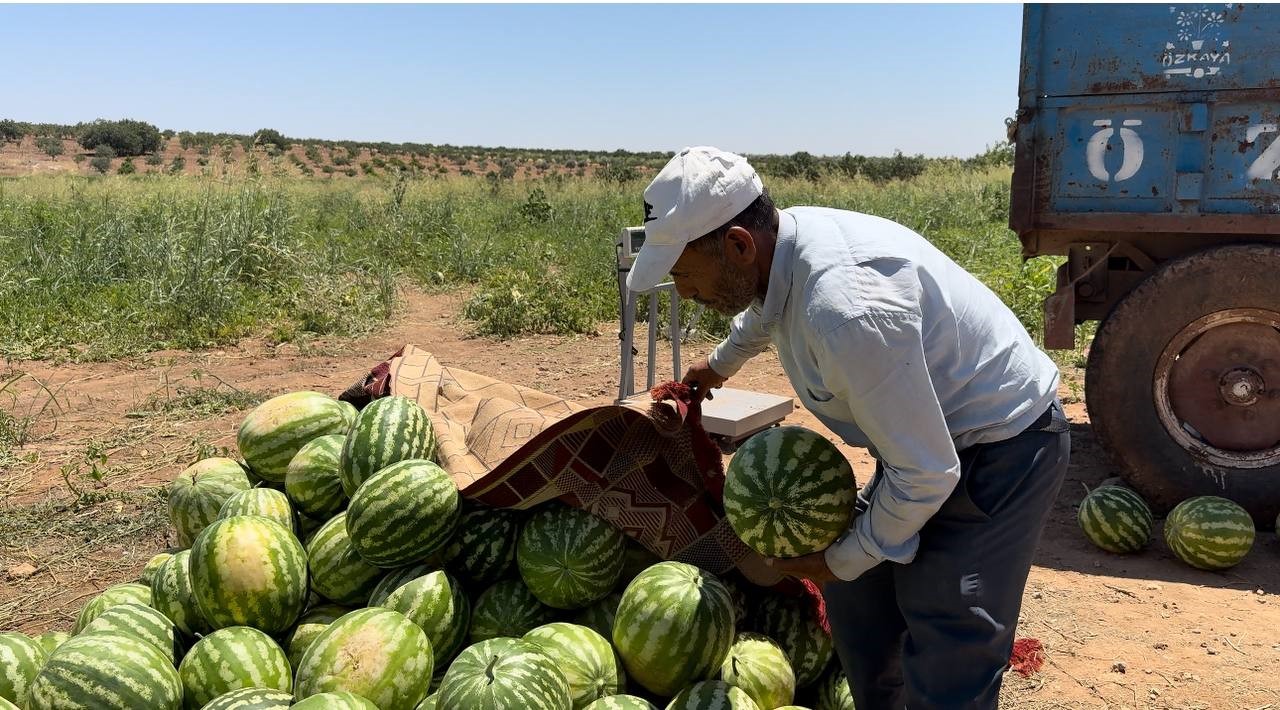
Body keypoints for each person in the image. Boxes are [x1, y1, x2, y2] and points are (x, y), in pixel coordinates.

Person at [627, 146, 1070, 709]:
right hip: (922, 441)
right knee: (860, 609)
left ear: (738, 244)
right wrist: (718, 365)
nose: (684, 292)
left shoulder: (848, 311)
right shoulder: (783, 245)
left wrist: (834, 561)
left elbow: (927, 473)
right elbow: (764, 309)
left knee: (949, 638)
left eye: (685, 275)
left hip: (1001, 446)